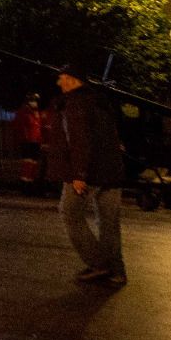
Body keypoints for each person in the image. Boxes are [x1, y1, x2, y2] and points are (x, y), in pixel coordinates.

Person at [46, 65, 127, 286]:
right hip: (112, 171)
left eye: (62, 78)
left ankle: (99, 264)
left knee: (69, 213)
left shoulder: (74, 104)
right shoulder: (101, 101)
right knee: (109, 223)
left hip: (88, 173)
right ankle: (117, 272)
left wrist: (78, 174)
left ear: (73, 80)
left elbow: (79, 140)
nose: (59, 83)